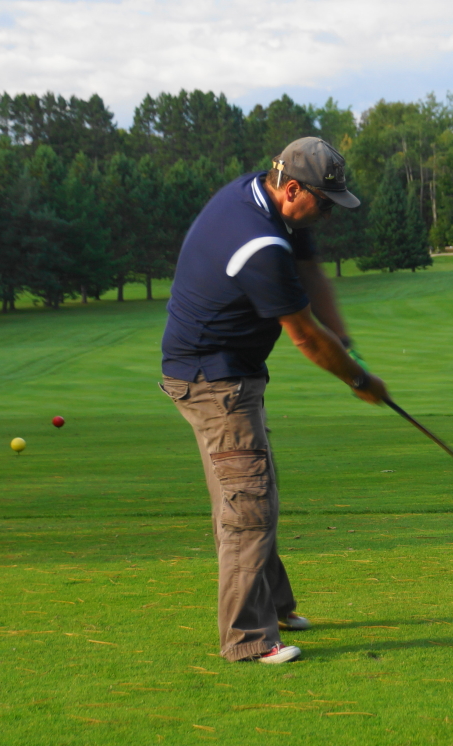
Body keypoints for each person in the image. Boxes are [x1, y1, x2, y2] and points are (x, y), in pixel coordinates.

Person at [159, 137, 388, 664]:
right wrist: (358, 380)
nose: (330, 214)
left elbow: (311, 275)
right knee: (248, 504)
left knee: (255, 488)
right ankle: (247, 640)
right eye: (325, 203)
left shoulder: (267, 200)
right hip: (212, 380)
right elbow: (304, 336)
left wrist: (345, 339)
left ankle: (276, 603)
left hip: (228, 371)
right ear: (291, 190)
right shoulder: (258, 245)